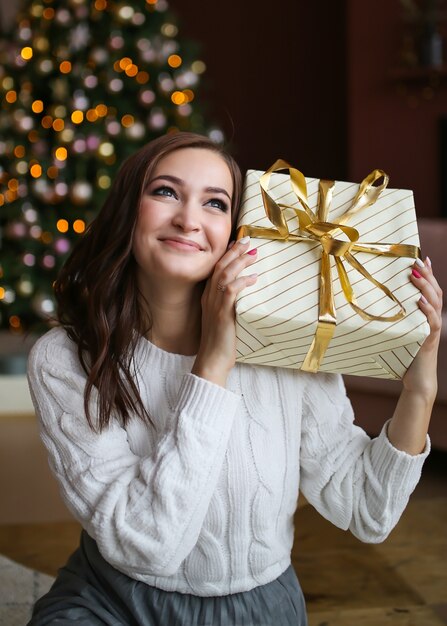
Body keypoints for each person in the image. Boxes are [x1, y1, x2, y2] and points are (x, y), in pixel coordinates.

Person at [26, 131, 443, 626]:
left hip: (255, 606)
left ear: (235, 231)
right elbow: (146, 546)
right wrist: (213, 363)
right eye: (165, 192)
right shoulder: (66, 358)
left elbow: (367, 511)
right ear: (127, 209)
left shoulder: (285, 339)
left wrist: (420, 390)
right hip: (112, 597)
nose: (189, 219)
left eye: (215, 203)